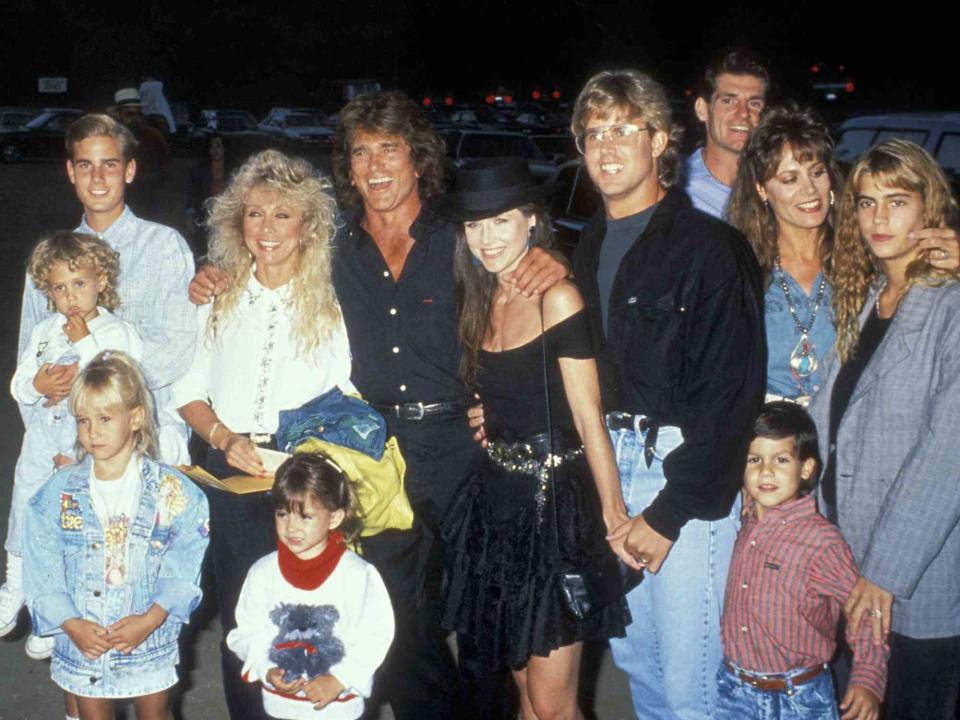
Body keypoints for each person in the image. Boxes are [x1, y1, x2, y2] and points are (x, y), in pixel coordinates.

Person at [189, 90, 567, 720]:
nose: (375, 165)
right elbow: (266, 253)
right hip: (371, 454)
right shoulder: (333, 246)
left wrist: (547, 259)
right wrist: (213, 272)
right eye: (361, 152)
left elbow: (517, 288)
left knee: (481, 628)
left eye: (388, 148)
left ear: (416, 158)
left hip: (462, 451)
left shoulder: (457, 235)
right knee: (398, 624)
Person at [569, 69, 766, 719]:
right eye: (595, 131)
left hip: (679, 472)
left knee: (693, 686)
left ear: (660, 141)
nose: (607, 144)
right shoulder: (586, 246)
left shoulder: (711, 250)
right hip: (609, 471)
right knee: (640, 667)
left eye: (626, 128)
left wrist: (670, 510)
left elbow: (730, 396)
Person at [437, 158, 630, 718]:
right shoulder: (481, 300)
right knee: (523, 691)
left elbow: (589, 415)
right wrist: (487, 415)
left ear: (530, 221)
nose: (486, 237)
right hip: (498, 507)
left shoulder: (558, 298)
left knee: (552, 702)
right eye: (474, 225)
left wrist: (613, 513)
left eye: (500, 221)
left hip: (554, 511)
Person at [171, 149, 353, 720]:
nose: (267, 229)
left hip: (306, 478)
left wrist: (306, 459)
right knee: (244, 623)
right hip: (228, 478)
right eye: (255, 214)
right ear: (237, 223)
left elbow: (351, 394)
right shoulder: (217, 295)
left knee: (311, 621)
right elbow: (187, 392)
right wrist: (225, 439)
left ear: (308, 226)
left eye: (283, 215)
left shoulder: (333, 301)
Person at [809, 139, 960, 719]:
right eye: (866, 203)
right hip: (856, 568)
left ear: (930, 208)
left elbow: (947, 454)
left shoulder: (948, 305)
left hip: (914, 588)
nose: (877, 218)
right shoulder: (875, 297)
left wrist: (885, 573)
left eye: (896, 202)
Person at [727, 105, 960, 404]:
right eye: (789, 179)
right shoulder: (741, 268)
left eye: (816, 172)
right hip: (766, 439)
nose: (809, 190)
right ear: (762, 190)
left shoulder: (869, 255)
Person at [22, 351, 209, 720]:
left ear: (136, 417)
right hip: (83, 640)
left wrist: (152, 617)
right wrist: (69, 623)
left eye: (105, 418)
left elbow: (186, 560)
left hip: (149, 639)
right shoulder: (58, 493)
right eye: (83, 420)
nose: (93, 431)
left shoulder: (172, 491)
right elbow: (40, 563)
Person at [17, 113, 195, 464]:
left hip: (145, 440)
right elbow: (30, 358)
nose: (97, 178)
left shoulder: (164, 247)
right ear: (71, 172)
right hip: (64, 444)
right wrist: (52, 443)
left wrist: (96, 382)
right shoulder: (49, 260)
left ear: (129, 171)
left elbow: (177, 351)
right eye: (85, 166)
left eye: (109, 165)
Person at [1, 232, 143, 648]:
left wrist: (84, 341)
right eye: (59, 288)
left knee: (69, 528)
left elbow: (119, 374)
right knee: (26, 505)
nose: (71, 297)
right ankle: (15, 585)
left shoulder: (117, 330)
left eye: (79, 283)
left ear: (100, 280)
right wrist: (37, 384)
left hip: (87, 441)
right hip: (43, 437)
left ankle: (55, 615)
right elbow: (19, 384)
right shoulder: (45, 330)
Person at [719, 402, 885, 720]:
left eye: (781, 459)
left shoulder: (821, 543)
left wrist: (868, 679)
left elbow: (865, 613)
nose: (765, 471)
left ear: (806, 469)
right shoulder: (744, 524)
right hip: (735, 690)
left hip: (799, 698)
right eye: (754, 459)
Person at [227, 453, 394, 720]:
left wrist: (340, 678)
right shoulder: (262, 573)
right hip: (280, 708)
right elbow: (249, 631)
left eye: (305, 517)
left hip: (339, 709)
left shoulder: (357, 574)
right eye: (282, 514)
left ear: (335, 518)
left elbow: (376, 634)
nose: (291, 527)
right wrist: (266, 668)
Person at [683, 47, 769, 219]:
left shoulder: (779, 183)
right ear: (702, 110)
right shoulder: (677, 189)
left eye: (754, 104)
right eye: (729, 101)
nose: (743, 113)